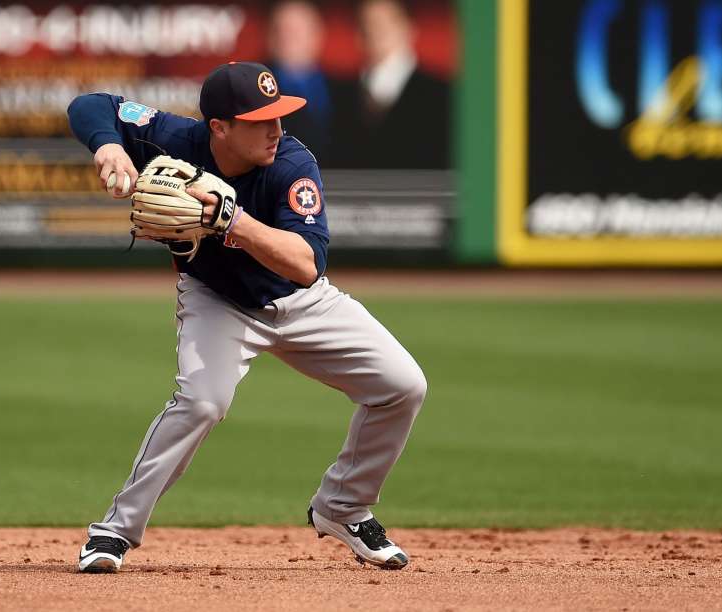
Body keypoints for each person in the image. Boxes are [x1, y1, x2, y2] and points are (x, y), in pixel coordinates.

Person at [66, 61, 426, 573]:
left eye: (279, 116)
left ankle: (344, 506)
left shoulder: (292, 165)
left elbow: (306, 265)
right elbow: (90, 105)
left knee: (403, 385)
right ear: (220, 128)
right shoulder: (173, 137)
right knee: (202, 402)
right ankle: (114, 532)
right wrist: (109, 145)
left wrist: (232, 220)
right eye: (262, 120)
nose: (277, 129)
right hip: (218, 300)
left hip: (303, 303)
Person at [332, 0, 450, 169]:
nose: (373, 31)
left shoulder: (442, 94)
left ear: (409, 29)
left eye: (384, 24)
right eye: (366, 23)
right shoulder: (340, 94)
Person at [266, 0, 334, 161]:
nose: (288, 38)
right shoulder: (251, 89)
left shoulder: (346, 89)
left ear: (317, 34)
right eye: (281, 30)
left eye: (297, 30)